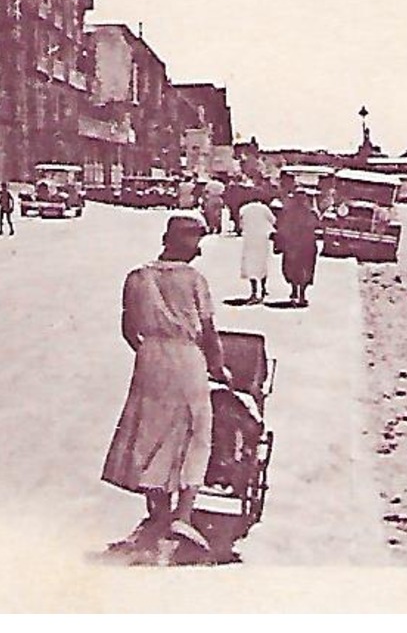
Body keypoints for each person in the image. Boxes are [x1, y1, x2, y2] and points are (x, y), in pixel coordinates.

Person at [102, 214, 229, 561]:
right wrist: (218, 368)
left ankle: (158, 512)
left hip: (149, 359)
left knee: (150, 433)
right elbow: (209, 333)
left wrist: (151, 352)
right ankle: (183, 515)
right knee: (194, 433)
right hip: (187, 358)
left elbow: (128, 329)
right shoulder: (194, 279)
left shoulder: (137, 276)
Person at [273, 175, 322, 306]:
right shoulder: (309, 213)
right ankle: (301, 293)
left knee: (293, 269)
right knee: (304, 269)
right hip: (304, 247)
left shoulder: (289, 212)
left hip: (295, 247)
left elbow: (281, 227)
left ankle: (296, 292)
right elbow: (316, 226)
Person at [237, 195, 277, 303]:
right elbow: (273, 221)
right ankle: (263, 289)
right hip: (262, 239)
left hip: (249, 238)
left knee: (250, 265)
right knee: (262, 264)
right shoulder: (264, 208)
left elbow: (240, 225)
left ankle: (254, 292)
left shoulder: (244, 208)